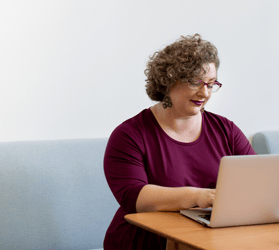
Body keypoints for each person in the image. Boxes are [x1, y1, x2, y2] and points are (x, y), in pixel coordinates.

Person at [103, 34, 256, 250]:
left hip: (208, 237)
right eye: (195, 82)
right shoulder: (129, 135)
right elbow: (134, 197)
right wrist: (197, 196)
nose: (205, 93)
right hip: (147, 241)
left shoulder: (226, 130)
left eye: (211, 84)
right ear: (168, 80)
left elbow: (256, 181)